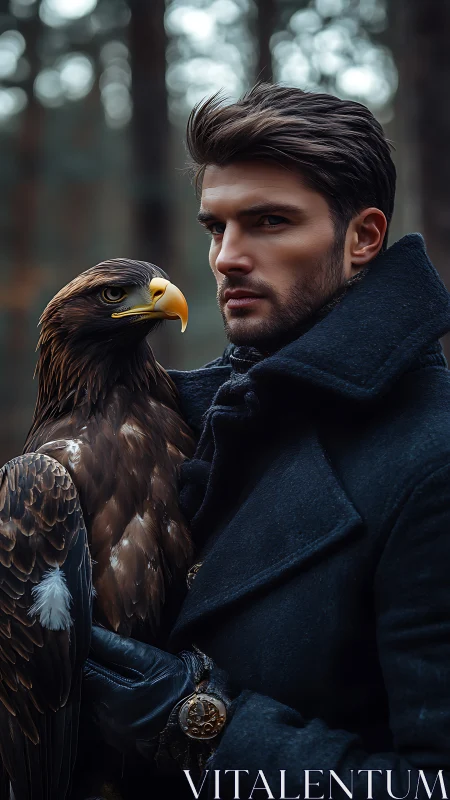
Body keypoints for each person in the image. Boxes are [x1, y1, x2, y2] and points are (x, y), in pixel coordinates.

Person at [81, 84, 450, 800]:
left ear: (363, 238)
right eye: (216, 227)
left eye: (270, 222)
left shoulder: (432, 461)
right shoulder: (170, 423)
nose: (227, 257)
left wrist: (199, 721)